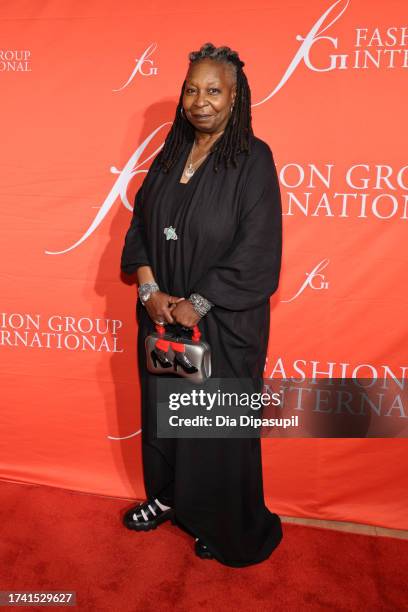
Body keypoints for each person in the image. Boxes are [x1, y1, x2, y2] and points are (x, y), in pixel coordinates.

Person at [120, 42, 283, 568]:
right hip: (163, 318)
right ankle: (169, 496)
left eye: (213, 90)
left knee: (216, 428)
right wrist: (149, 290)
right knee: (166, 413)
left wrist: (199, 301)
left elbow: (259, 247)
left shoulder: (253, 159)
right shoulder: (169, 153)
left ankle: (224, 521)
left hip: (222, 322)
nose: (200, 100)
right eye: (192, 88)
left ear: (235, 98)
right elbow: (141, 223)